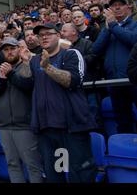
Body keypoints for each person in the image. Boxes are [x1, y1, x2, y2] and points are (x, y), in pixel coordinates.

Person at [28, 23, 97, 183]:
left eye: (48, 33)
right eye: (40, 35)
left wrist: (48, 67)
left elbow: (72, 81)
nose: (44, 37)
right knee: (56, 175)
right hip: (47, 129)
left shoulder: (71, 54)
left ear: (58, 36)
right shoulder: (34, 61)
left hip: (71, 128)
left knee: (80, 174)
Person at [0, 38, 43, 183]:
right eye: (5, 50)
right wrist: (2, 79)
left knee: (33, 166)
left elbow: (28, 85)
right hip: (5, 125)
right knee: (12, 165)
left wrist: (11, 74)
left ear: (19, 49)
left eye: (12, 48)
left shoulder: (27, 65)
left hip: (25, 125)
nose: (9, 52)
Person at [92, 0, 137, 133]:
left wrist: (113, 26)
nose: (117, 7)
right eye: (113, 6)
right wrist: (107, 28)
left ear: (128, 7)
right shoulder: (107, 28)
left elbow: (134, 40)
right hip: (114, 81)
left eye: (120, 5)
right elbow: (96, 49)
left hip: (134, 80)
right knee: (122, 120)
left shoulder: (135, 25)